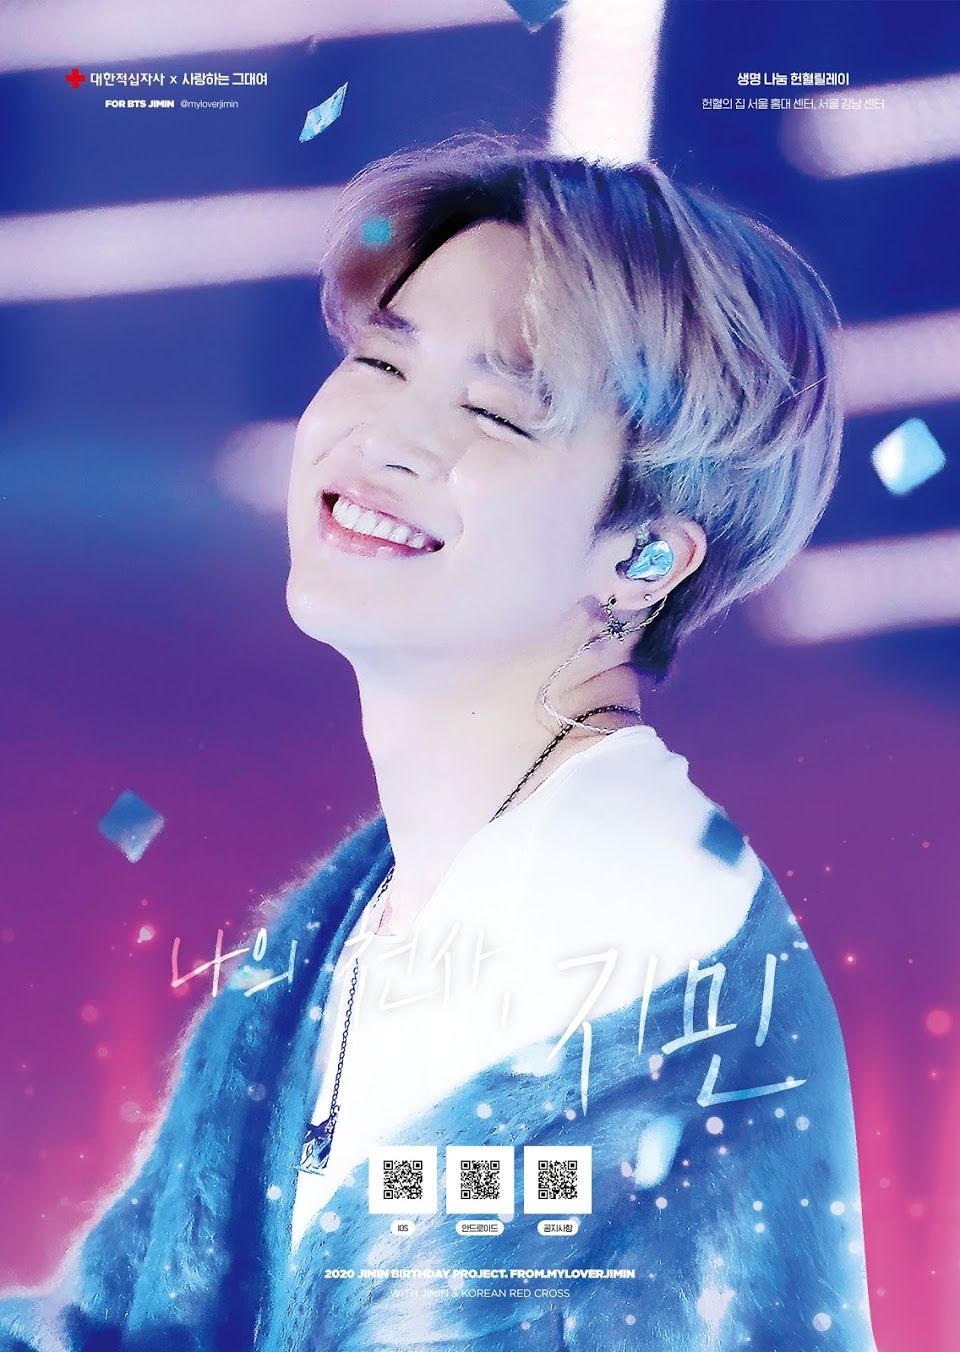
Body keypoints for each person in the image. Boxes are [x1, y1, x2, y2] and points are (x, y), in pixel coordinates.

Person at [0, 133, 878, 1350]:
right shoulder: (372, 897)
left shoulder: (619, 918)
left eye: (496, 413)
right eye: (381, 359)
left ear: (642, 556)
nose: (384, 436)